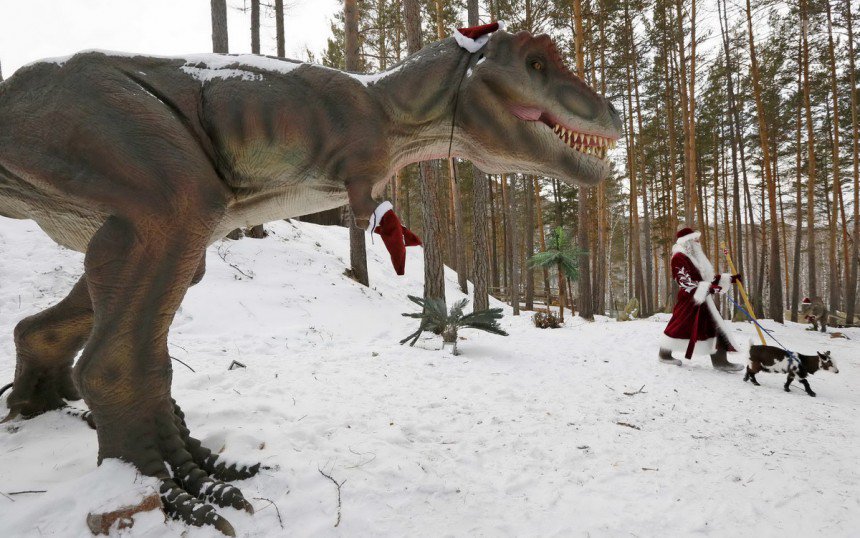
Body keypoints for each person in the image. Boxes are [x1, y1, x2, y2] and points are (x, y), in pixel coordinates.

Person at [659, 227, 744, 371]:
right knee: (679, 328)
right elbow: (684, 281)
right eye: (695, 239)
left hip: (702, 300)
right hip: (689, 301)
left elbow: (706, 278)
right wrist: (708, 288)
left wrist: (728, 279)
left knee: (715, 327)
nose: (698, 242)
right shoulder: (679, 257)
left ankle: (720, 361)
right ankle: (664, 354)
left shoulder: (694, 257)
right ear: (688, 242)